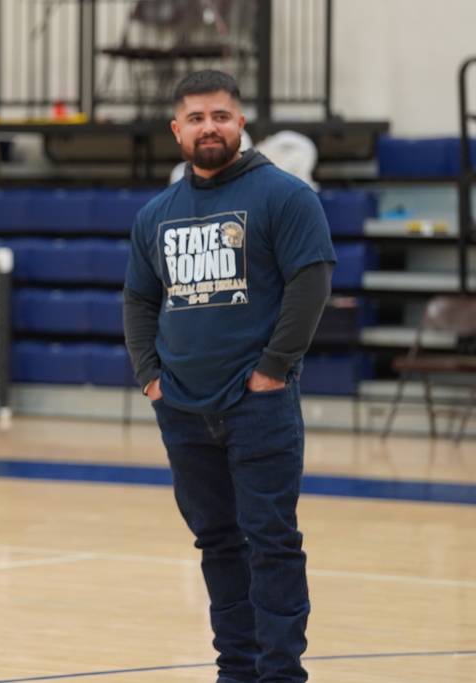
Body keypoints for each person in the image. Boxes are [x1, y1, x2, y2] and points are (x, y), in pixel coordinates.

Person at [123, 70, 335, 683]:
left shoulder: (286, 196)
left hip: (258, 406)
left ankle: (281, 674)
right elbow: (139, 299)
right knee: (217, 543)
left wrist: (272, 370)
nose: (209, 127)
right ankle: (236, 671)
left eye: (220, 115)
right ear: (177, 130)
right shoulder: (157, 214)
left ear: (241, 123)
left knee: (271, 541)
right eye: (196, 118)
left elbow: (311, 285)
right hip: (182, 408)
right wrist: (151, 378)